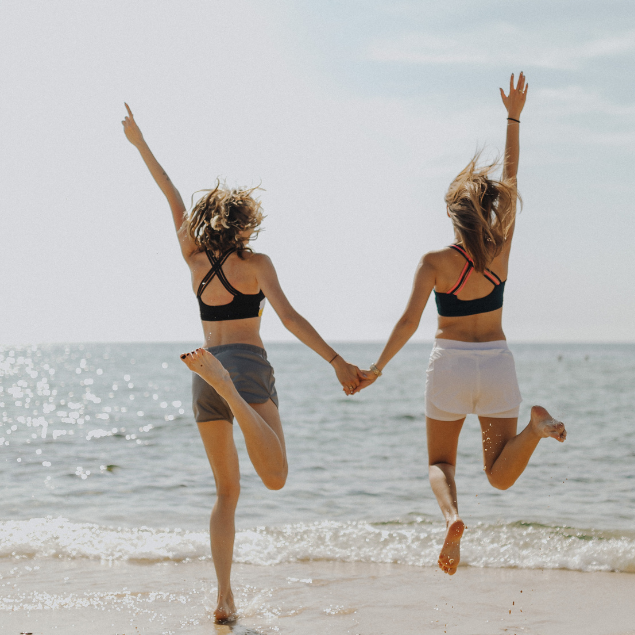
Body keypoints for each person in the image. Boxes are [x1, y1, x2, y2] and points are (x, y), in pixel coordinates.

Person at [121, 104, 364, 622]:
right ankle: (230, 390)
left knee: (226, 494)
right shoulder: (256, 265)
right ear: (246, 225)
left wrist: (140, 143)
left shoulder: (193, 260)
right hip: (243, 369)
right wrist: (337, 362)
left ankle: (224, 596)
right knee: (274, 477)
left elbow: (169, 193)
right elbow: (292, 319)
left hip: (202, 366)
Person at [356, 73, 567, 576]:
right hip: (496, 366)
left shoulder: (433, 262)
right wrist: (513, 119)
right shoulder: (501, 250)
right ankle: (535, 431)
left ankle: (452, 517)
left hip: (449, 367)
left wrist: (378, 367)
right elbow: (512, 179)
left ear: (452, 218)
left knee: (441, 465)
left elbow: (408, 322)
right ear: (488, 213)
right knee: (497, 475)